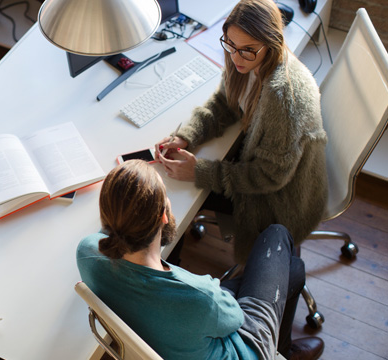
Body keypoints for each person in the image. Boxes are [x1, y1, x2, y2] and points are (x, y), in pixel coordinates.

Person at [77, 160, 324, 360]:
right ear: (164, 216)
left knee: (295, 269)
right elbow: (235, 317)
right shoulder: (201, 297)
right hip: (245, 349)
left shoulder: (86, 253)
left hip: (167, 327)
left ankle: (286, 349)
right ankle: (280, 352)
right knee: (277, 236)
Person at [154, 0, 327, 264]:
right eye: (230, 45)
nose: (235, 57)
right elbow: (225, 103)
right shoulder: (244, 61)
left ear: (272, 43)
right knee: (172, 190)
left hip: (281, 200)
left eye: (247, 50)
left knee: (172, 203)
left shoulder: (284, 96)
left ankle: (169, 281)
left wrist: (200, 171)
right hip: (265, 166)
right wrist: (187, 135)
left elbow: (270, 176)